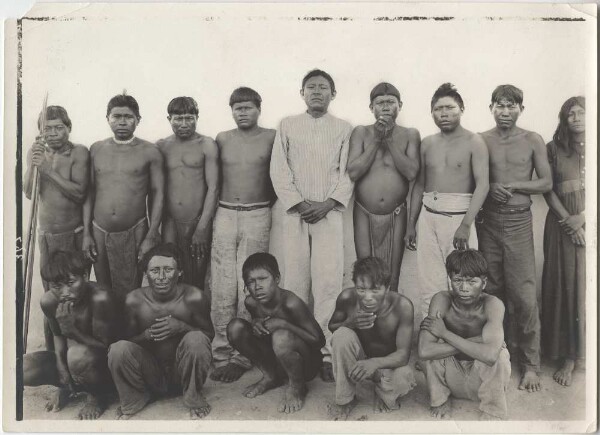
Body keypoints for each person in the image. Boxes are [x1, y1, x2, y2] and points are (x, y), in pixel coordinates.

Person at [270, 69, 354, 382]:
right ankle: (298, 353)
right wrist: (300, 203)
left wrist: (328, 204)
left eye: (323, 87)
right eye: (311, 87)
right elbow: (279, 169)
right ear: (302, 93)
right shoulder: (287, 125)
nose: (317, 92)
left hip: (329, 214)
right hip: (295, 214)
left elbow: (348, 172)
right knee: (295, 283)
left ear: (333, 93)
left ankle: (328, 355)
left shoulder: (344, 128)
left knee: (328, 284)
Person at [478, 85, 552, 393]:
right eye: (500, 105)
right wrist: (492, 184)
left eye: (511, 106)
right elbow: (474, 178)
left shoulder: (532, 139)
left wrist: (514, 185)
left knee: (523, 294)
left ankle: (531, 364)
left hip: (520, 221)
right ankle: (499, 356)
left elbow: (546, 181)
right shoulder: (481, 140)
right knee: (493, 291)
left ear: (521, 108)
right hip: (489, 222)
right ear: (491, 107)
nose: (505, 111)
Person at [406, 83, 489, 319]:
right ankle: (430, 339)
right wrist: (411, 224)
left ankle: (461, 340)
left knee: (464, 282)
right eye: (438, 108)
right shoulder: (428, 143)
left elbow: (483, 185)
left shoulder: (474, 141)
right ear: (431, 112)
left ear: (461, 108)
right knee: (430, 284)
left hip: (459, 216)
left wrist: (465, 224)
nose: (444, 113)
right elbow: (419, 185)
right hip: (428, 214)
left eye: (450, 108)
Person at [210, 87, 276, 383]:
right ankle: (221, 351)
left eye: (248, 107)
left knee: (250, 283)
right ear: (231, 110)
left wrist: (262, 204)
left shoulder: (271, 137)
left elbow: (278, 177)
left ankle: (242, 355)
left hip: (258, 212)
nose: (243, 112)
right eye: (237, 108)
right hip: (224, 213)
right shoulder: (222, 139)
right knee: (223, 284)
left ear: (259, 108)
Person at [107, 243, 214, 420]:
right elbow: (124, 342)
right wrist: (147, 335)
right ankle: (136, 398)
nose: (162, 277)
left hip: (181, 372)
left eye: (168, 270)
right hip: (149, 374)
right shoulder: (134, 300)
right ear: (145, 273)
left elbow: (208, 335)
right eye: (155, 271)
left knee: (196, 338)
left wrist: (182, 327)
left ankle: (193, 396)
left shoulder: (194, 297)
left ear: (179, 272)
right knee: (117, 349)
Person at [83, 93, 164, 299]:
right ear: (107, 118)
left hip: (134, 229)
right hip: (99, 229)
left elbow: (158, 193)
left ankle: (129, 331)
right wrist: (86, 233)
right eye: (116, 116)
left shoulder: (150, 151)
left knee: (130, 292)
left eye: (128, 116)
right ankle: (110, 331)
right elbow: (89, 192)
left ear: (138, 120)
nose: (122, 121)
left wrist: (152, 233)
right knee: (103, 289)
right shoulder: (96, 149)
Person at [23, 106, 90, 350]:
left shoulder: (78, 153)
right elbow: (29, 192)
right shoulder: (36, 151)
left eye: (58, 127)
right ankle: (55, 351)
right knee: (51, 295)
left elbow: (79, 193)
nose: (53, 133)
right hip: (46, 236)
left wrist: (48, 170)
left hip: (73, 235)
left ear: (69, 128)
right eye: (47, 128)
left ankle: (79, 347)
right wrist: (34, 164)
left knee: (75, 292)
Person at [23, 250, 117, 420]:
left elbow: (107, 348)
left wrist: (71, 330)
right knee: (23, 368)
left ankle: (97, 396)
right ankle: (68, 388)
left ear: (86, 276)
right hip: (73, 365)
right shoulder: (49, 301)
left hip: (102, 369)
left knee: (77, 355)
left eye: (71, 282)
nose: (65, 292)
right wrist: (61, 368)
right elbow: (57, 336)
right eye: (57, 286)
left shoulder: (100, 298)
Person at [418, 249, 511, 420]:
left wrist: (445, 333)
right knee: (431, 354)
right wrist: (479, 341)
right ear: (449, 281)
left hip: (482, 380)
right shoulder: (441, 300)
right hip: (452, 377)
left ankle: (492, 409)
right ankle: (440, 399)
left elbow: (490, 356)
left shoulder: (493, 304)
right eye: (458, 280)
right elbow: (424, 351)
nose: (464, 288)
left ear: (484, 283)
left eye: (471, 281)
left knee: (500, 356)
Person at [227, 253, 325, 414]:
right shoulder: (251, 302)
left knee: (281, 335)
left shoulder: (291, 303)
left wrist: (283, 324)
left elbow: (319, 341)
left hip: (306, 364)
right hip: (278, 359)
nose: (257, 286)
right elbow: (262, 334)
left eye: (263, 278)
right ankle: (270, 376)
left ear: (277, 279)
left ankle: (297, 386)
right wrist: (256, 322)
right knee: (235, 327)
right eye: (251, 281)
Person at [347, 83, 421, 293]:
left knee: (392, 276)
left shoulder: (410, 134)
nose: (386, 107)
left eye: (391, 102)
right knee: (365, 272)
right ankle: (369, 322)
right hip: (364, 211)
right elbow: (353, 172)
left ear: (400, 105)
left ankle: (389, 321)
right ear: (371, 107)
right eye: (380, 103)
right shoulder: (361, 132)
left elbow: (411, 173)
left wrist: (388, 139)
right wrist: (377, 140)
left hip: (397, 213)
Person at [326, 257, 416, 420]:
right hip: (359, 362)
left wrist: (374, 363)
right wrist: (349, 322)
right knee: (341, 334)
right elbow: (332, 327)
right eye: (361, 289)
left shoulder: (402, 306)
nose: (367, 297)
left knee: (404, 376)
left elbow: (403, 355)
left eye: (375, 290)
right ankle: (345, 399)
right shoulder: (347, 298)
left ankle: (379, 393)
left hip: (387, 366)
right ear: (355, 286)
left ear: (387, 288)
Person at [542, 96, 586, 387]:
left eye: (582, 113)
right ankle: (565, 355)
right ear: (563, 119)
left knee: (585, 289)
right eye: (571, 114)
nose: (577, 118)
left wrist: (583, 217)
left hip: (588, 223)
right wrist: (569, 221)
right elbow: (548, 190)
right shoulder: (553, 148)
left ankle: (582, 354)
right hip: (560, 226)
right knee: (563, 286)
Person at [157, 96, 219, 290]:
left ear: (197, 117)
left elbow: (214, 187)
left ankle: (197, 317)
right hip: (170, 221)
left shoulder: (206, 144)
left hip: (197, 220)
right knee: (171, 271)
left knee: (197, 277)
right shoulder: (161, 146)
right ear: (169, 119)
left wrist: (202, 227)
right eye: (178, 118)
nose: (184, 123)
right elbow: (156, 189)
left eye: (189, 118)